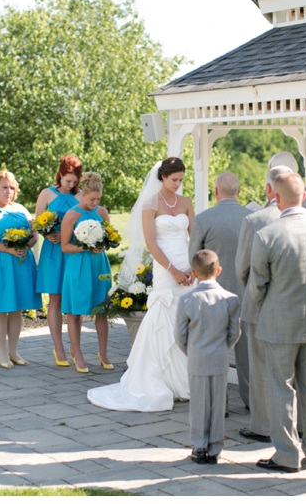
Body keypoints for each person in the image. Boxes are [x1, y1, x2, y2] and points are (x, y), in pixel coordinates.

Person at [87, 157, 195, 411]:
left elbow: (195, 235)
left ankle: (187, 377)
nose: (178, 184)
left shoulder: (186, 203)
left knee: (186, 315)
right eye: (174, 180)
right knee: (164, 313)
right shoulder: (150, 204)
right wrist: (173, 270)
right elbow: (151, 243)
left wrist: (192, 267)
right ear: (162, 178)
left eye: (181, 180)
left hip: (187, 264)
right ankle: (162, 378)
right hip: (165, 268)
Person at [248, 172, 306, 473]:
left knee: (281, 387)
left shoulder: (267, 235)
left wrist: (261, 312)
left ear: (274, 196)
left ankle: (287, 454)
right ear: (305, 194)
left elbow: (257, 286)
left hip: (278, 322)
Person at [234, 165, 293, 443]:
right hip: (297, 307)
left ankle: (262, 425)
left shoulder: (255, 220)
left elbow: (241, 268)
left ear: (269, 189)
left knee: (259, 365)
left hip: (260, 304)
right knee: (296, 371)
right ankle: (298, 425)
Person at [187, 172, 251, 409]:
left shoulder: (203, 219)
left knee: (215, 351)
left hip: (213, 296)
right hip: (246, 294)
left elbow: (194, 257)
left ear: (215, 192)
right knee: (247, 354)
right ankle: (252, 401)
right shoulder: (252, 217)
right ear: (239, 191)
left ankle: (218, 405)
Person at [175, 250, 241, 465]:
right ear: (219, 270)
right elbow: (234, 333)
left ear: (193, 273)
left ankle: (199, 446)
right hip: (220, 357)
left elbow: (180, 335)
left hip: (196, 358)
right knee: (218, 404)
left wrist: (192, 350)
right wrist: (222, 348)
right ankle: (215, 447)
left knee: (199, 403)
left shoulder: (186, 299)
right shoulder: (231, 299)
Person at [0, 170, 40, 369]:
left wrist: (25, 246)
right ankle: (1, 353)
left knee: (17, 308)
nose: (9, 191)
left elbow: (34, 234)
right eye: (4, 187)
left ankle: (13, 351)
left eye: (12, 188)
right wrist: (9, 249)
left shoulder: (21, 209)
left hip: (20, 263)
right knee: (1, 307)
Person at [60, 172, 113, 373]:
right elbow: (65, 246)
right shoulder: (72, 215)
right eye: (92, 199)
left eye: (98, 199)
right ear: (82, 194)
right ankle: (77, 352)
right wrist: (86, 247)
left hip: (99, 265)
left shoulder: (102, 212)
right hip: (78, 266)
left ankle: (103, 352)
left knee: (102, 310)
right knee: (75, 310)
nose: (95, 203)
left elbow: (109, 239)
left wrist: (103, 246)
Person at [35, 155, 82, 367]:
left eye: (75, 181)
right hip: (54, 251)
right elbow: (38, 222)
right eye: (68, 181)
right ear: (60, 175)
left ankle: (75, 346)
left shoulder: (81, 195)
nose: (71, 185)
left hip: (73, 251)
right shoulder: (47, 193)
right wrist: (47, 234)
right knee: (55, 299)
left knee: (74, 301)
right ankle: (59, 347)